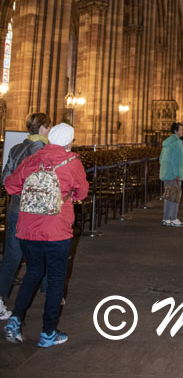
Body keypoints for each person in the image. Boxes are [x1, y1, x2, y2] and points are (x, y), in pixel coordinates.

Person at [3, 122, 89, 347]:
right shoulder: (72, 162)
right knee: (56, 279)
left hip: (28, 228)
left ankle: (16, 318)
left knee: (33, 272)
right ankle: (48, 333)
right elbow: (82, 191)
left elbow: (10, 186)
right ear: (70, 141)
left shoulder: (32, 160)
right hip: (56, 230)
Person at [0, 112, 52, 320]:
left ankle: (0, 299)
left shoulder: (15, 148)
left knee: (11, 257)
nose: (49, 131)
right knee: (46, 252)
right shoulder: (46, 151)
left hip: (15, 209)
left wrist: (20, 194)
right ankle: (50, 296)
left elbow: (5, 179)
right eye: (48, 127)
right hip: (37, 213)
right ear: (41, 128)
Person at [159, 122, 183, 225]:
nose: (182, 131)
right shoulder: (177, 142)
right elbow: (178, 160)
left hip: (166, 173)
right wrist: (177, 174)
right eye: (180, 129)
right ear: (175, 131)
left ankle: (166, 218)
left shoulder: (166, 142)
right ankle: (174, 218)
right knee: (175, 196)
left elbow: (161, 158)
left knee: (168, 195)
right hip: (174, 174)